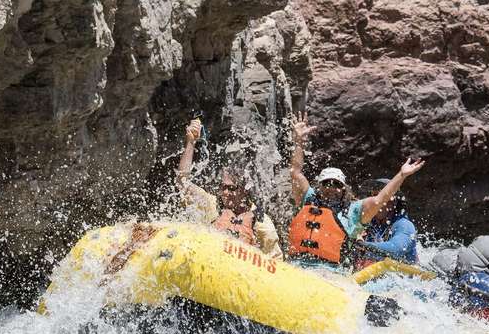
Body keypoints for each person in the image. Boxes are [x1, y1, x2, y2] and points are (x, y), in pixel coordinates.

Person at [286, 111, 425, 272]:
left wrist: (401, 175)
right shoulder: (308, 199)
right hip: (296, 267)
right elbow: (295, 173)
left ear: (344, 189)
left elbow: (380, 199)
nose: (331, 188)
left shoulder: (354, 212)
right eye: (327, 184)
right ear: (319, 186)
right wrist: (298, 142)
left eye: (336, 184)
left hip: (329, 274)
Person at [177, 119, 282, 259]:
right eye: (223, 187)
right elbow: (182, 183)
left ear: (245, 189)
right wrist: (190, 142)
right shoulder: (211, 205)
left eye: (232, 188)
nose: (226, 193)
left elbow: (276, 262)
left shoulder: (261, 222)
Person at [354, 182, 418, 269]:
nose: (376, 202)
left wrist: (361, 244)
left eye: (382, 197)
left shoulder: (404, 225)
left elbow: (396, 249)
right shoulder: (369, 222)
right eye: (374, 196)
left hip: (403, 275)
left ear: (393, 202)